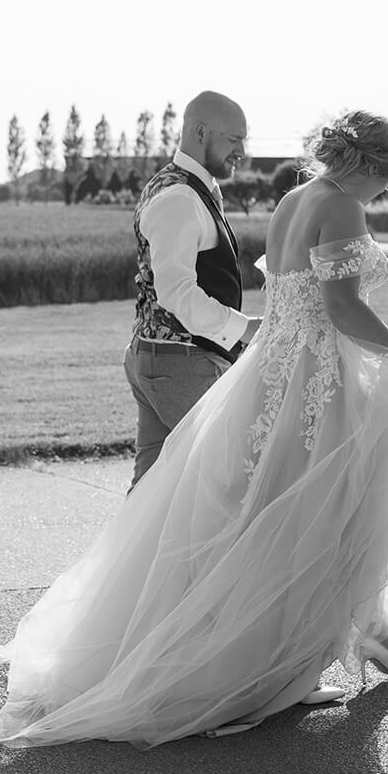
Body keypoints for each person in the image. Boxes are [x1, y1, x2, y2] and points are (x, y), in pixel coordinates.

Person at [0, 109, 388, 749]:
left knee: (272, 511)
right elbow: (340, 304)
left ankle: (329, 648)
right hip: (313, 377)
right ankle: (295, 658)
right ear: (369, 168)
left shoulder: (293, 199)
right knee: (323, 513)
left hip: (269, 370)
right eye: (387, 179)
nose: (385, 192)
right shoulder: (342, 207)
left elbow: (283, 295)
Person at [124, 91, 262, 489]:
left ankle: (138, 555)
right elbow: (177, 293)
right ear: (201, 132)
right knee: (234, 478)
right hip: (178, 363)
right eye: (234, 139)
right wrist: (244, 328)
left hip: (161, 360)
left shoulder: (187, 188)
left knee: (150, 494)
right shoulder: (179, 197)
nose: (242, 150)